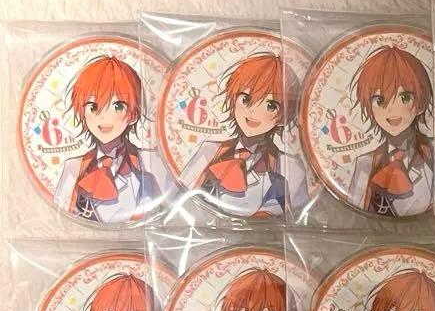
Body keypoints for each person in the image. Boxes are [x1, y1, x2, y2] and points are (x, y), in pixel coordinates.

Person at [179, 52, 309, 217]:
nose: (252, 111)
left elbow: (298, 215)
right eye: (246, 99)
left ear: (284, 115)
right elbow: (182, 200)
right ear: (233, 100)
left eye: (271, 105)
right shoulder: (209, 151)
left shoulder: (290, 166)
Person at [53, 54, 174, 223]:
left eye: (118, 106)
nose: (104, 117)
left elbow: (173, 210)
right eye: (93, 107)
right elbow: (60, 217)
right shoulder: (73, 167)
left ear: (133, 114)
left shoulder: (153, 163)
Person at [347, 45, 434, 216]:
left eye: (404, 97)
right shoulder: (364, 164)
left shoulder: (434, 158)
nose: (391, 110)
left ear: (421, 104)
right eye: (379, 100)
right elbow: (355, 213)